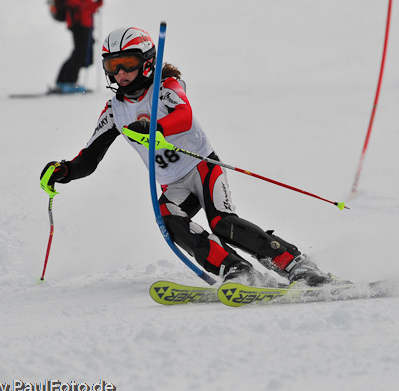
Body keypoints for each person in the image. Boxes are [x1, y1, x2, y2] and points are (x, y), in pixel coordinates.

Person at [40, 27, 334, 287]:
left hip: (203, 168)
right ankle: (236, 271)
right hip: (173, 184)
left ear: (147, 62)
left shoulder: (166, 87)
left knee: (221, 222)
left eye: (128, 63)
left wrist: (156, 128)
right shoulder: (114, 111)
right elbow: (89, 157)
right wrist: (64, 172)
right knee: (169, 218)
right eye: (112, 65)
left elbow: (184, 115)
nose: (120, 74)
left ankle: (296, 264)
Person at [52, 0, 103, 94]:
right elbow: (76, 4)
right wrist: (93, 5)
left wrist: (97, 4)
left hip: (83, 24)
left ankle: (63, 81)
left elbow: (88, 6)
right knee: (80, 53)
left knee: (78, 53)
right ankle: (69, 82)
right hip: (79, 24)